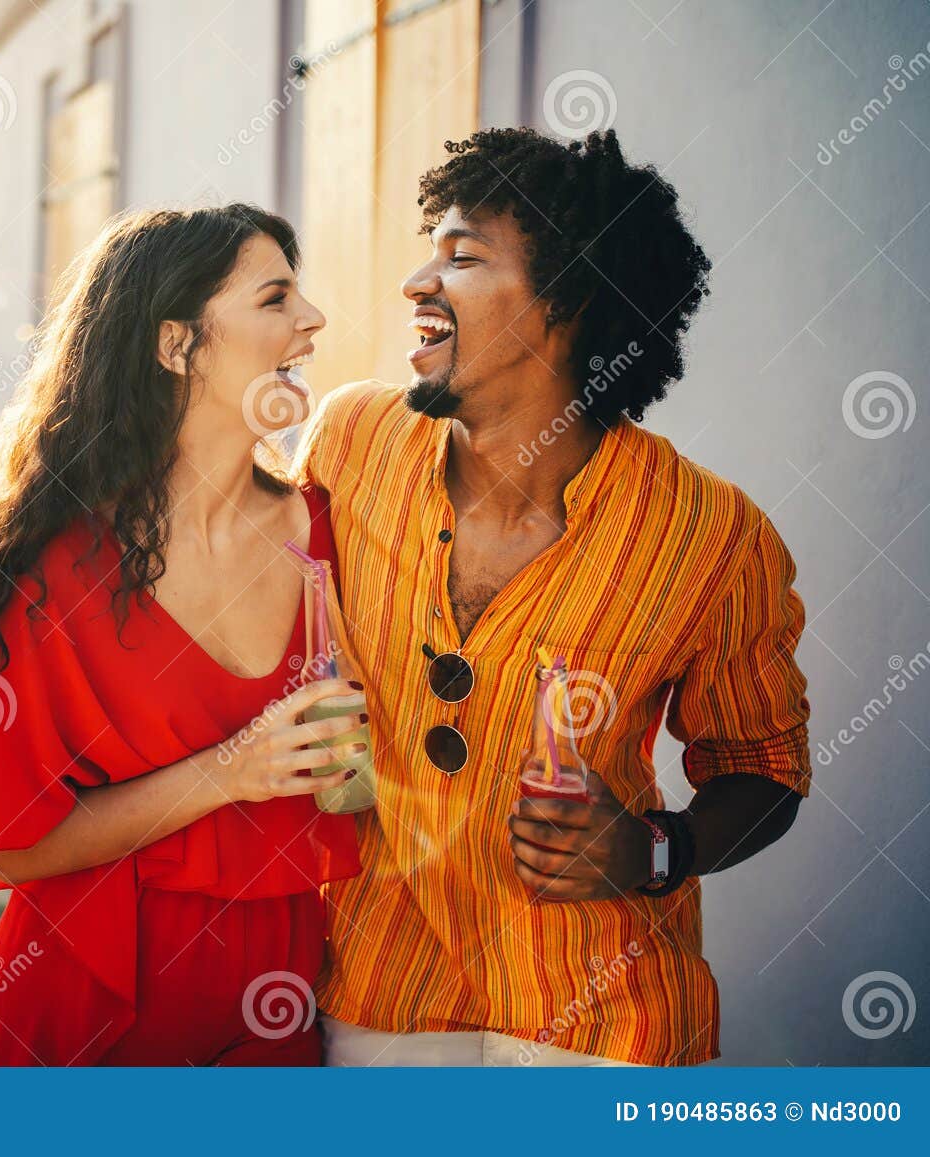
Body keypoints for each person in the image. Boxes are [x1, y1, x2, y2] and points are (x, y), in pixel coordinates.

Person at [296, 127, 811, 1067]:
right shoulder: (348, 441)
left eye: (462, 257)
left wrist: (654, 851)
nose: (417, 281)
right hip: (379, 994)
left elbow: (766, 766)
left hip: (603, 1026)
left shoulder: (712, 534)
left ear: (567, 302)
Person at [0, 204, 366, 1066]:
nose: (312, 319)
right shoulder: (58, 565)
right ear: (175, 344)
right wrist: (231, 770)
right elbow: (11, 843)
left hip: (279, 989)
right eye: (275, 297)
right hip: (93, 993)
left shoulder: (325, 525)